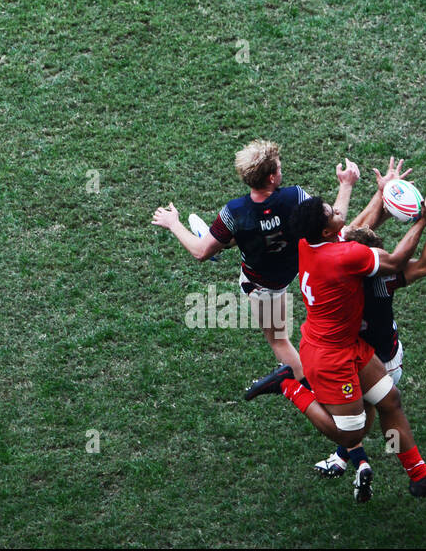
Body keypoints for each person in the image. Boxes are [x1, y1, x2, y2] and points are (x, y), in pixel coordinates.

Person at [270, 184, 426, 501]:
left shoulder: (307, 244)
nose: (338, 212)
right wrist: (424, 218)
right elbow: (401, 258)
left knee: (391, 401)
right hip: (330, 357)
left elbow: (350, 229)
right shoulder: (353, 263)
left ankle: (420, 478)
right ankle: (289, 386)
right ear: (326, 230)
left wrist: (377, 197)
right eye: (332, 213)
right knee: (353, 432)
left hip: (345, 345)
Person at [151, 140, 358, 388]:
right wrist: (346, 184)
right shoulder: (295, 196)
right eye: (279, 169)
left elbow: (200, 253)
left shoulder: (235, 211)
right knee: (255, 232)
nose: (282, 171)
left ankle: (313, 391)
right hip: (293, 267)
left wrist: (173, 222)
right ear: (271, 178)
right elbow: (336, 218)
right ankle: (226, 239)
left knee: (279, 341)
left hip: (262, 286)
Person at [312, 165, 426, 477]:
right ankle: (353, 456)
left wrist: (382, 194)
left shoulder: (330, 270)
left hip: (355, 355)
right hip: (383, 356)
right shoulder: (384, 279)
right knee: (374, 410)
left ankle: (344, 456)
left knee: (367, 410)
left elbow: (350, 232)